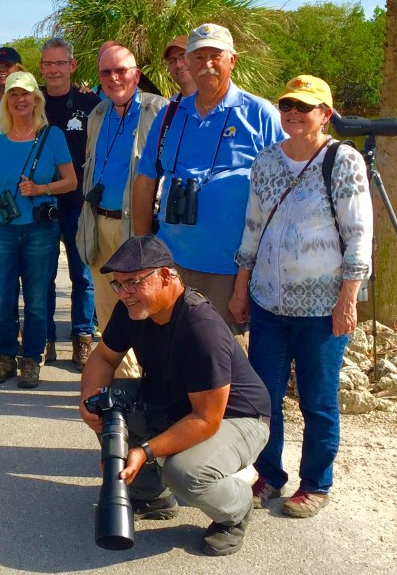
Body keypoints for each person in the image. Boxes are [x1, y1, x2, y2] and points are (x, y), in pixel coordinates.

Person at [229, 75, 373, 518]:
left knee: (318, 398)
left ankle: (316, 483)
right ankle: (268, 475)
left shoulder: (343, 161)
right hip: (270, 303)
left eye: (304, 107)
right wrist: (241, 288)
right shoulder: (268, 160)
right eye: (287, 105)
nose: (293, 114)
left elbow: (359, 235)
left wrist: (348, 300)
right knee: (264, 397)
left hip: (323, 309)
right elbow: (253, 227)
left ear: (325, 114)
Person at [79, 235, 271, 557]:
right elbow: (104, 358)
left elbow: (206, 419)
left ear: (167, 276)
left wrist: (146, 451)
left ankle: (236, 510)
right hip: (177, 403)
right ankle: (151, 496)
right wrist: (90, 400)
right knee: (108, 406)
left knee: (185, 472)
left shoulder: (200, 328)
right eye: (118, 285)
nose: (124, 294)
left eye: (133, 283)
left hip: (238, 418)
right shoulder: (133, 309)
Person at [131, 23, 285, 337]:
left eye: (215, 56)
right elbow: (145, 181)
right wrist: (145, 251)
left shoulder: (260, 115)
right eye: (198, 58)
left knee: (223, 364)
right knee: (170, 353)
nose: (207, 65)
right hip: (172, 263)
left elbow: (286, 189)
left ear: (232, 60)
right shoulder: (170, 114)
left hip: (230, 271)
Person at [0, 71, 76, 388]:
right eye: (14, 94)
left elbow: (71, 182)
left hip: (39, 229)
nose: (21, 100)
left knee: (36, 299)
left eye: (27, 94)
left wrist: (41, 188)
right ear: (6, 100)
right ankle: (6, 357)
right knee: (0, 300)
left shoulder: (52, 136)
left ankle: (32, 359)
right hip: (1, 229)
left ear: (36, 99)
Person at [76, 43, 168, 357]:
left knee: (142, 303)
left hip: (136, 225)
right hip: (99, 221)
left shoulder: (158, 110)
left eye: (121, 70)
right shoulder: (98, 113)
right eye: (106, 72)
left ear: (136, 74)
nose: (114, 77)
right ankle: (119, 378)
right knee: (106, 304)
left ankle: (147, 376)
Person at [39, 37, 101, 371]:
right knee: (43, 275)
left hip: (78, 202)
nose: (54, 70)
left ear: (72, 65)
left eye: (60, 63)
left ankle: (82, 337)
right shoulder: (31, 102)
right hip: (41, 201)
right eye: (47, 64)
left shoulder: (90, 104)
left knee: (82, 274)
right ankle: (44, 338)